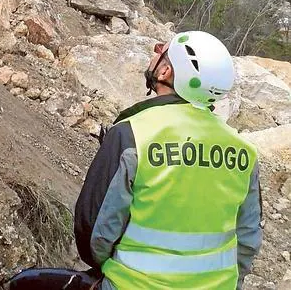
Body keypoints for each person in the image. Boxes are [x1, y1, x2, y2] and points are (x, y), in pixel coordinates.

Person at [74, 31, 262, 290]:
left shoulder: (131, 134)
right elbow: (248, 240)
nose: (155, 54)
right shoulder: (244, 151)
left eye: (160, 51)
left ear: (165, 72)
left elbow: (93, 232)